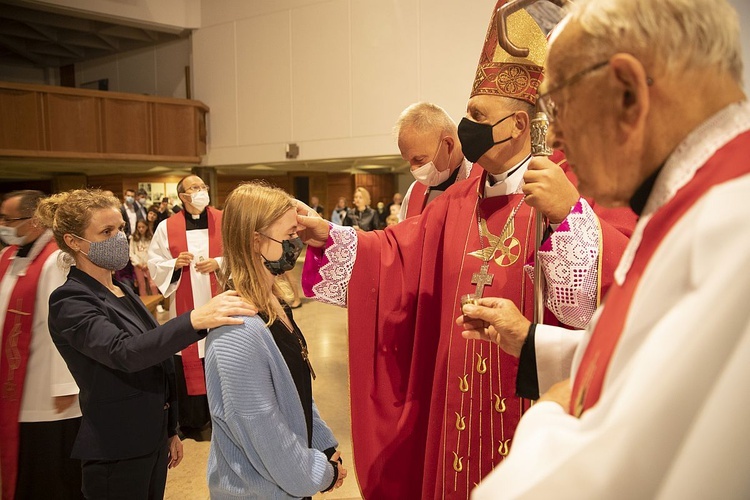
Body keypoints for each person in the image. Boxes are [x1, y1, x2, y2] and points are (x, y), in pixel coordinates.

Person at [295, 2, 635, 498]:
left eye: (478, 115)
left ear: (519, 125)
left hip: (529, 399)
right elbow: (395, 255)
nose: (466, 124)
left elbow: (616, 286)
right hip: (456, 403)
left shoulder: (571, 184)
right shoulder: (458, 198)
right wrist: (331, 236)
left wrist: (569, 215)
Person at [459, 0, 750, 498]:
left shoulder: (730, 226)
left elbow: (612, 477)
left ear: (628, 93)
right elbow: (657, 362)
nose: (558, 140)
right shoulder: (696, 200)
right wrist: (533, 342)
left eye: (558, 108)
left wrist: (549, 410)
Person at [41, 189, 254, 500]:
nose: (119, 238)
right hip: (117, 444)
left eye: (121, 229)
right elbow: (125, 353)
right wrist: (194, 320)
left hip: (150, 437)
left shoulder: (122, 289)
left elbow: (159, 358)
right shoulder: (70, 300)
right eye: (106, 231)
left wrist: (170, 429)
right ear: (75, 242)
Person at [205, 181, 346, 499]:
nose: (296, 244)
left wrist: (323, 442)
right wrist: (320, 472)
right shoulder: (236, 330)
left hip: (287, 483)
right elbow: (264, 429)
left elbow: (295, 391)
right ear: (256, 241)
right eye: (288, 236)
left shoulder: (274, 303)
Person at [0, 190, 82, 500]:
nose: (4, 225)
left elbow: (62, 327)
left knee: (49, 473)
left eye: (10, 220)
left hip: (47, 393)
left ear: (35, 220)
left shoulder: (55, 260)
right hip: (16, 384)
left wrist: (64, 385)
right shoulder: (8, 256)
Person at [148, 174, 222, 438]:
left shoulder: (223, 219)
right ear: (183, 196)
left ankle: (223, 416)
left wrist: (219, 263)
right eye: (195, 187)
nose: (201, 190)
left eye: (203, 186)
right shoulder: (167, 227)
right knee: (190, 354)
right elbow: (154, 261)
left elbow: (242, 252)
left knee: (221, 354)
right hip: (186, 303)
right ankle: (194, 420)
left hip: (219, 300)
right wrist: (174, 264)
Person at [395, 102, 477, 221]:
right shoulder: (414, 192)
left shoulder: (484, 183)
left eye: (419, 159)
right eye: (408, 161)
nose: (413, 169)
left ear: (448, 144)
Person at [130, 219, 159, 298]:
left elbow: (153, 252)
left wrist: (148, 263)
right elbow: (131, 253)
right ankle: (145, 304)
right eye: (139, 227)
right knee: (141, 284)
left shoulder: (150, 238)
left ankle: (156, 303)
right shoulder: (133, 238)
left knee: (152, 284)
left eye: (143, 227)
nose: (141, 229)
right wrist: (137, 263)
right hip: (138, 265)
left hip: (148, 264)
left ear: (147, 227)